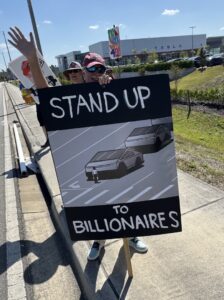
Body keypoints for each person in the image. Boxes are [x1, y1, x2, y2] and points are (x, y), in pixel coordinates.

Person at [8, 27, 148, 260]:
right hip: (92, 161)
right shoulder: (71, 99)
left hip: (117, 156)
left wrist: (110, 86)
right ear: (83, 72)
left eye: (99, 68)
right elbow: (44, 91)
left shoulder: (113, 89)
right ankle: (99, 240)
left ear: (106, 69)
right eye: (90, 69)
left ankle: (131, 236)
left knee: (125, 199)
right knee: (98, 203)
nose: (95, 73)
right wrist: (32, 60)